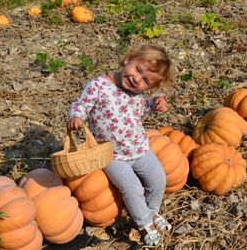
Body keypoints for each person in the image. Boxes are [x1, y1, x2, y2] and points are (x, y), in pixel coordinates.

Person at [67, 44, 176, 246]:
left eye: (145, 81)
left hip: (140, 149)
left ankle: (152, 213)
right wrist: (77, 117)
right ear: (128, 59)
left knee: (158, 178)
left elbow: (144, 108)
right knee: (132, 187)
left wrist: (156, 103)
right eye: (138, 70)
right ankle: (144, 224)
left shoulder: (138, 96)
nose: (137, 78)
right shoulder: (99, 85)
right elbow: (81, 104)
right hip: (112, 156)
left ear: (149, 88)